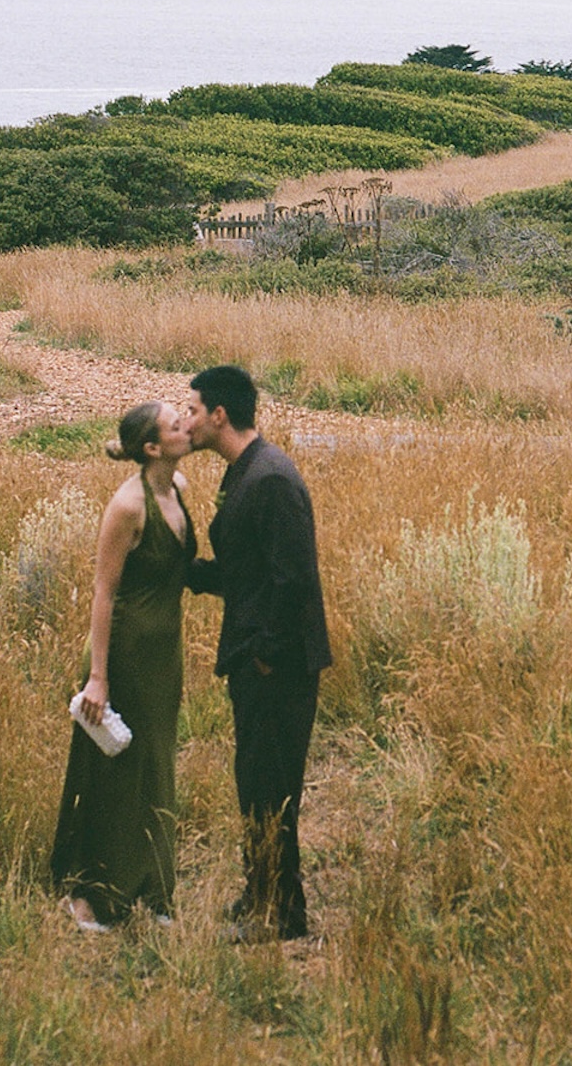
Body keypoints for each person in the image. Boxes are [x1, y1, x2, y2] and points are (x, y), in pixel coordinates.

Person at [183, 365, 332, 943]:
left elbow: (292, 579)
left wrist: (264, 657)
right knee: (258, 784)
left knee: (271, 788)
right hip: (261, 660)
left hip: (279, 667)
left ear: (219, 415)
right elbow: (248, 574)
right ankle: (262, 894)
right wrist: (188, 573)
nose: (186, 421)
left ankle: (281, 915)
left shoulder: (268, 477)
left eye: (192, 410)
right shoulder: (248, 471)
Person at [50, 400, 195, 933]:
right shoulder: (128, 506)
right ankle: (94, 896)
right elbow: (103, 594)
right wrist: (98, 678)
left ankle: (154, 892)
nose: (188, 427)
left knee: (157, 764)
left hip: (164, 653)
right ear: (153, 447)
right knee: (116, 772)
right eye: (177, 425)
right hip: (126, 654)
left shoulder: (177, 488)